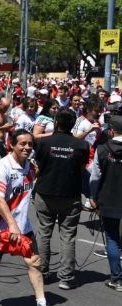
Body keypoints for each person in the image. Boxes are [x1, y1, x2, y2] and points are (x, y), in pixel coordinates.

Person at [0, 129, 46, 306]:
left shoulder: (30, 166)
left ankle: (41, 301)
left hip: (23, 226)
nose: (27, 147)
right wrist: (12, 225)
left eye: (30, 144)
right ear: (12, 145)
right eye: (22, 144)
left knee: (34, 262)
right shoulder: (2, 166)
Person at [33, 108, 89, 289]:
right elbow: (81, 169)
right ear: (73, 124)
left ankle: (42, 271)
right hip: (70, 195)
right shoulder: (81, 145)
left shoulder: (43, 143)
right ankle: (65, 277)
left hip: (46, 193)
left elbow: (39, 166)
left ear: (56, 122)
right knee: (68, 236)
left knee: (44, 233)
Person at [89, 114, 122, 291]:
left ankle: (117, 279)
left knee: (112, 238)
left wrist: (93, 198)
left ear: (110, 131)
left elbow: (95, 177)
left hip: (108, 199)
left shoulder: (102, 149)